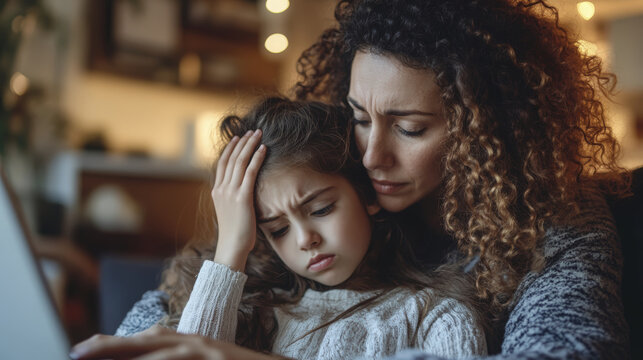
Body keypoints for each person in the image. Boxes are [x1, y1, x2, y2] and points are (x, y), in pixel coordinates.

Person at [71, 0, 631, 359]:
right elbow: (154, 323)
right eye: (361, 119)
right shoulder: (328, 182)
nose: (371, 155)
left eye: (410, 128)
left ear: (489, 130)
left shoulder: (556, 221)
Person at [71, 97, 487, 360]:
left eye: (321, 209)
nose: (306, 239)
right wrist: (233, 245)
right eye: (278, 229)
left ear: (367, 194)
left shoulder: (437, 315)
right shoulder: (260, 313)